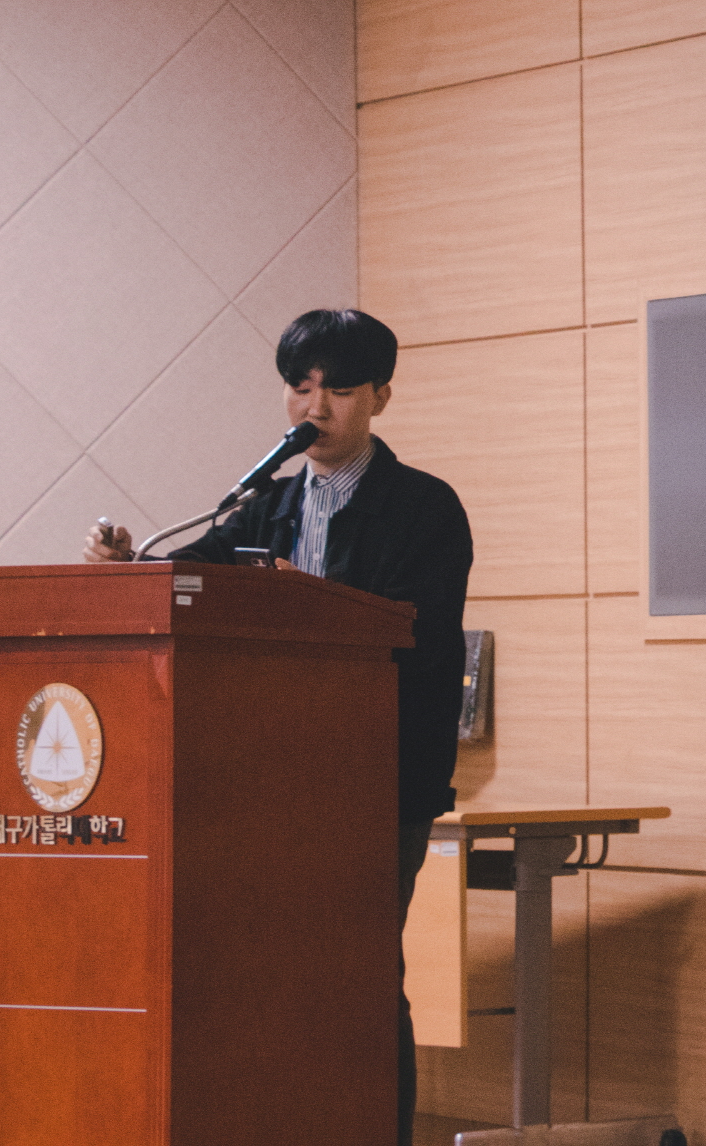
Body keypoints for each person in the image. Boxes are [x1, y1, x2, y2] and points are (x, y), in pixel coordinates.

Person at [85, 308, 471, 1145]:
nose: (315, 405)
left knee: (362, 974)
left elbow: (420, 637)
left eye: (339, 387)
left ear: (381, 396)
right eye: (301, 386)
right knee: (272, 977)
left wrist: (308, 606)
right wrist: (131, 570)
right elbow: (193, 576)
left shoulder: (425, 507)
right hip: (269, 786)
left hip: (377, 783)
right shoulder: (268, 505)